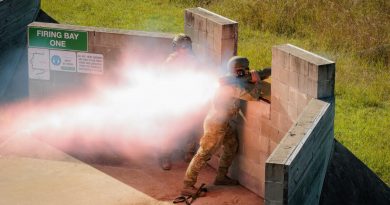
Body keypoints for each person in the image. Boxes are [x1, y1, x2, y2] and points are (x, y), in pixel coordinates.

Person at [181, 56, 262, 196]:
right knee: (204, 154)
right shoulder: (230, 86)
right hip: (215, 125)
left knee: (232, 144)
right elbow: (254, 96)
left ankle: (221, 177)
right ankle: (188, 185)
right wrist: (256, 81)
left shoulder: (228, 79)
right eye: (245, 69)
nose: (247, 71)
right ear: (238, 71)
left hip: (222, 122)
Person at [158, 33, 203, 170]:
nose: (183, 50)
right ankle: (165, 156)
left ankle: (188, 153)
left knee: (190, 127)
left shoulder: (194, 61)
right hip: (172, 101)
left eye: (186, 47)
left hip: (188, 100)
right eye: (181, 47)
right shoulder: (170, 62)